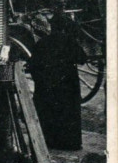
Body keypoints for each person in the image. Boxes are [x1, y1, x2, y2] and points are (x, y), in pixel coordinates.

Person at [26, 13, 87, 150]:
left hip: (46, 89)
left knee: (47, 114)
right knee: (67, 114)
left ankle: (47, 142)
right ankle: (69, 144)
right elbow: (83, 58)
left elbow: (32, 65)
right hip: (67, 88)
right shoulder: (69, 41)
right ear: (65, 27)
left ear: (51, 26)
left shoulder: (42, 43)